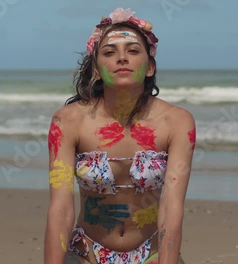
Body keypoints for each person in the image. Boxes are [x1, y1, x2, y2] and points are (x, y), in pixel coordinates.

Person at [44, 7, 195, 264]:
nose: (122, 58)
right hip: (86, 254)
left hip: (154, 255)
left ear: (149, 67)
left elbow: (171, 208)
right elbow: (61, 208)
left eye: (133, 51)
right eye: (109, 52)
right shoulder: (68, 121)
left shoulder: (177, 122)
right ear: (96, 69)